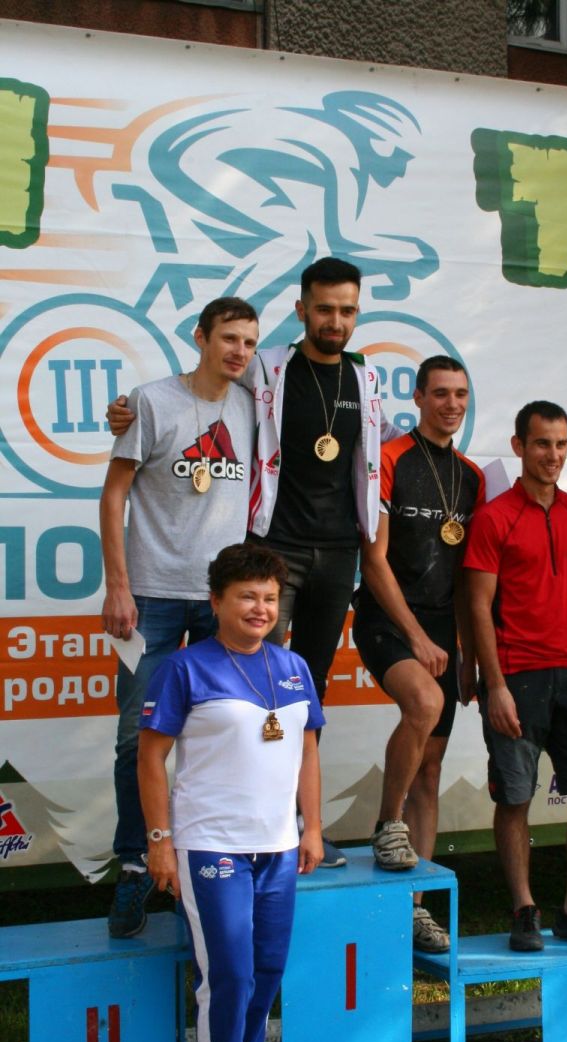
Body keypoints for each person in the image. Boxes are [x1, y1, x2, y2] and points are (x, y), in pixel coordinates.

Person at [109, 257, 397, 867]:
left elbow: (379, 450)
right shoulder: (265, 370)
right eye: (324, 309)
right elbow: (194, 389)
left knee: (295, 699)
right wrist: (125, 411)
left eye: (347, 310)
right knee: (196, 714)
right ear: (301, 310)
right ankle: (158, 854)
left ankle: (286, 828)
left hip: (328, 557)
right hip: (262, 557)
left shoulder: (364, 380)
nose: (335, 320)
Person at [138, 541, 323, 1042]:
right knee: (228, 973)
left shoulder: (293, 667)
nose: (260, 608)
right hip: (210, 845)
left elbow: (308, 751)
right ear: (216, 601)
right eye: (247, 596)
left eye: (269, 598)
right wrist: (160, 842)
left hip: (278, 846)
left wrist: (312, 828)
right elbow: (150, 758)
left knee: (267, 969)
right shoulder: (185, 668)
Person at [100, 296, 259, 937]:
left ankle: (212, 861)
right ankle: (135, 865)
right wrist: (118, 586)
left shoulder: (254, 408)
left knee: (228, 731)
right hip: (152, 598)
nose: (239, 352)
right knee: (137, 738)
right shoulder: (150, 401)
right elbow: (113, 495)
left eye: (249, 342)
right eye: (228, 338)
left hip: (224, 599)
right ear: (200, 337)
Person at [465, 401, 567, 952]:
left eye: (561, 444)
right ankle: (524, 909)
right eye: (541, 443)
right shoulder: (494, 517)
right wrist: (494, 685)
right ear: (519, 447)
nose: (553, 455)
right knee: (515, 798)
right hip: (517, 676)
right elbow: (478, 605)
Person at [353, 356, 484, 952]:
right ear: (419, 397)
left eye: (460, 394)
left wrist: (466, 653)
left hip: (440, 628)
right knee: (424, 703)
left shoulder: (472, 477)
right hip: (387, 617)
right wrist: (416, 636)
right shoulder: (390, 459)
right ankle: (387, 825)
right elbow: (373, 558)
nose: (451, 404)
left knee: (430, 771)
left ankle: (414, 908)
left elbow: (465, 577)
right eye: (440, 393)